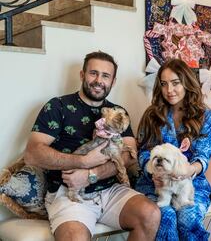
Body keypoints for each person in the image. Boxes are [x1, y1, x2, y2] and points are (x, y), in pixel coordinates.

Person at [24, 51, 160, 241]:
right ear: (82, 75)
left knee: (150, 214)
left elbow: (130, 156)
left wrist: (91, 175)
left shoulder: (118, 113)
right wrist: (82, 161)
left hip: (110, 190)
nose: (98, 80)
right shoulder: (57, 106)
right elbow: (32, 154)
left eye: (105, 76)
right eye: (93, 73)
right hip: (68, 192)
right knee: (75, 238)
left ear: (113, 81)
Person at [135, 58, 211, 241]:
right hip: (153, 183)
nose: (169, 90)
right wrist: (154, 176)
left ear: (186, 82)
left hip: (192, 184)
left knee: (188, 218)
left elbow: (203, 155)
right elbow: (143, 152)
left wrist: (189, 170)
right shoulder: (151, 115)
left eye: (175, 83)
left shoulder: (206, 116)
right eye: (164, 84)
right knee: (166, 217)